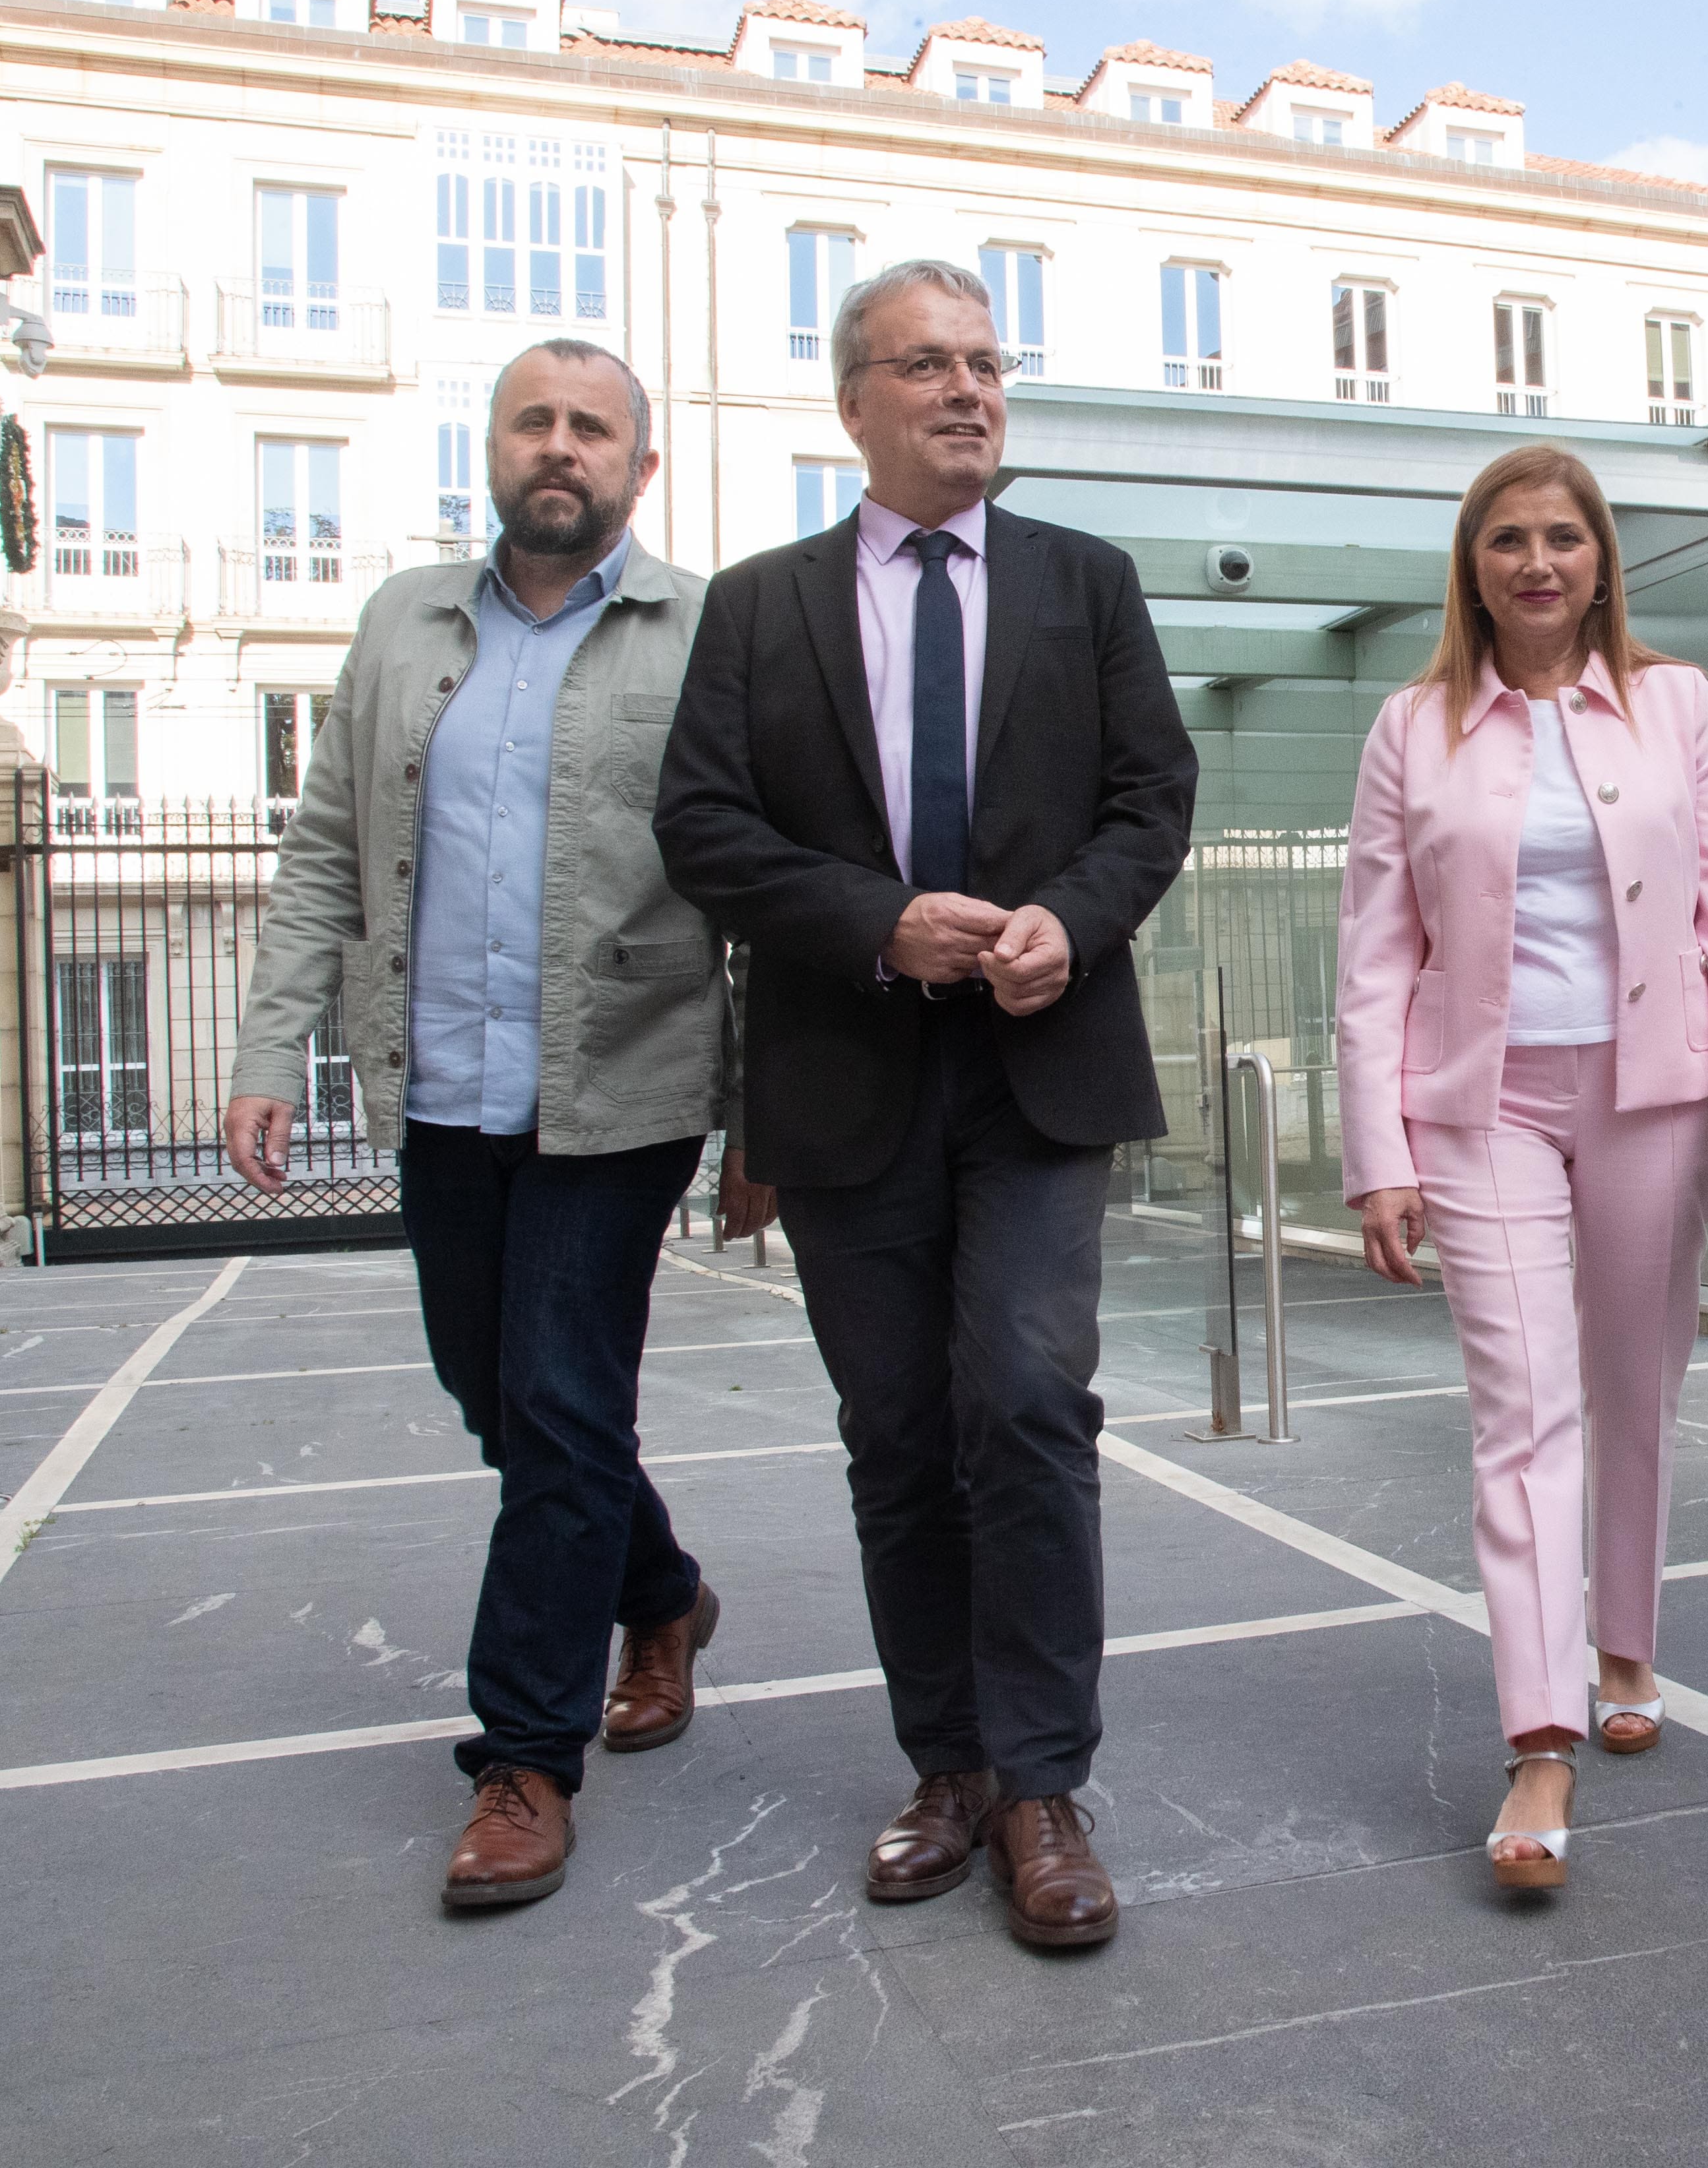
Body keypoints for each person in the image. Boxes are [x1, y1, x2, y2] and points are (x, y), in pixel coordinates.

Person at [652, 256, 1194, 1952]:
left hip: (1041, 1068)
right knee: (897, 1436)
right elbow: (706, 828)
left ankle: (1043, 1782)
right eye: (927, 365)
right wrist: (873, 922)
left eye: (985, 362)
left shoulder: (1084, 583)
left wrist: (1074, 921)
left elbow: (1149, 795)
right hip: (849, 1075)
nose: (968, 390)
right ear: (855, 404)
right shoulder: (759, 606)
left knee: (1028, 1406)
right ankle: (946, 1765)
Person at [225, 338, 763, 1911]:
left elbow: (758, 884)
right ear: (492, 451)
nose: (561, 447)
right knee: (505, 1397)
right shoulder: (406, 621)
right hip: (439, 1086)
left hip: (625, 1084)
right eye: (534, 420)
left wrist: (764, 1124)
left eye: (593, 428)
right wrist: (272, 1047)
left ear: (639, 471)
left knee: (559, 1394)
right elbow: (330, 844)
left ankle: (525, 1759)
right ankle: (660, 1591)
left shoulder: (705, 632)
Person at [1338, 443, 1708, 1890]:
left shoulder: (1676, 707)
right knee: (1522, 1408)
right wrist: (1378, 1150)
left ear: (1602, 561)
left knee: (1637, 1389)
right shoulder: (1414, 727)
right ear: (1471, 568)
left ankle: (1628, 1643)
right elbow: (1372, 958)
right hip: (1481, 1110)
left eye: (1564, 539)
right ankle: (1541, 1740)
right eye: (1507, 542)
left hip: (1654, 1091)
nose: (1538, 564)